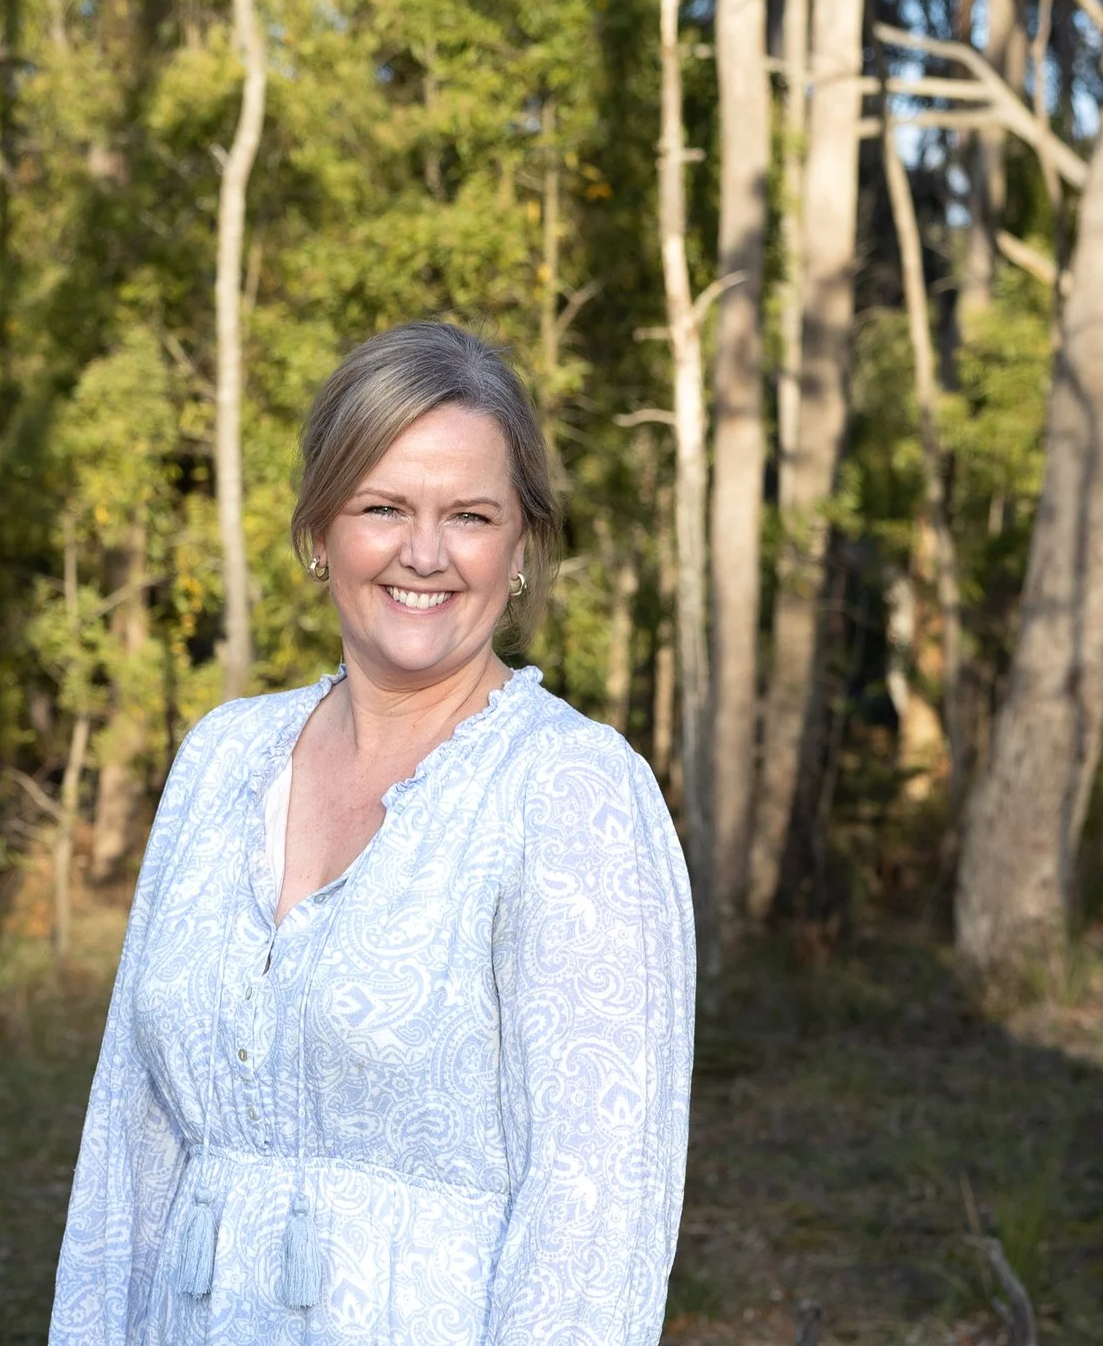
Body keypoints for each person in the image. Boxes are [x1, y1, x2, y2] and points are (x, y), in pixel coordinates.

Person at [49, 321, 696, 1344]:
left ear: (521, 544)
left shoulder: (568, 791)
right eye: (383, 506)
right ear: (319, 530)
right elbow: (127, 1150)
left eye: (471, 515)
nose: (424, 553)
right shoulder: (222, 760)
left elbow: (591, 1220)